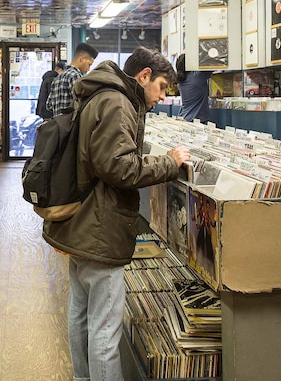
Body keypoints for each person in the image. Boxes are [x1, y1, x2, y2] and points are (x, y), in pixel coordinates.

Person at [43, 46, 191, 381]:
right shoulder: (118, 103)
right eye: (162, 87)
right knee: (104, 330)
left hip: (83, 223)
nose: (162, 96)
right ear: (144, 76)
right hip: (100, 227)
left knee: (80, 313)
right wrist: (170, 162)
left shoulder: (101, 95)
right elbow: (120, 168)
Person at [46, 43, 99, 117]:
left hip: (58, 125)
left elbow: (49, 106)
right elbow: (83, 104)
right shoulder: (75, 76)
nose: (89, 69)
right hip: (72, 126)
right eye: (89, 64)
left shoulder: (57, 78)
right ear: (82, 59)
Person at [175, 54, 213, 123]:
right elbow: (212, 63)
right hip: (196, 119)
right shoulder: (197, 77)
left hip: (184, 116)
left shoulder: (181, 80)